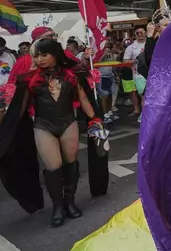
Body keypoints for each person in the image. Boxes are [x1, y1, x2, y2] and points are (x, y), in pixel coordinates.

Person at [12, 39, 103, 227]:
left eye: (44, 54)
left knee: (71, 163)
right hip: (43, 125)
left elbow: (84, 99)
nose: (39, 59)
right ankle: (58, 206)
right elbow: (19, 109)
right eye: (36, 55)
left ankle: (70, 202)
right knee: (53, 166)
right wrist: (8, 124)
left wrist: (95, 120)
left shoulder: (72, 75)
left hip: (68, 122)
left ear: (55, 54)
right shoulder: (28, 79)